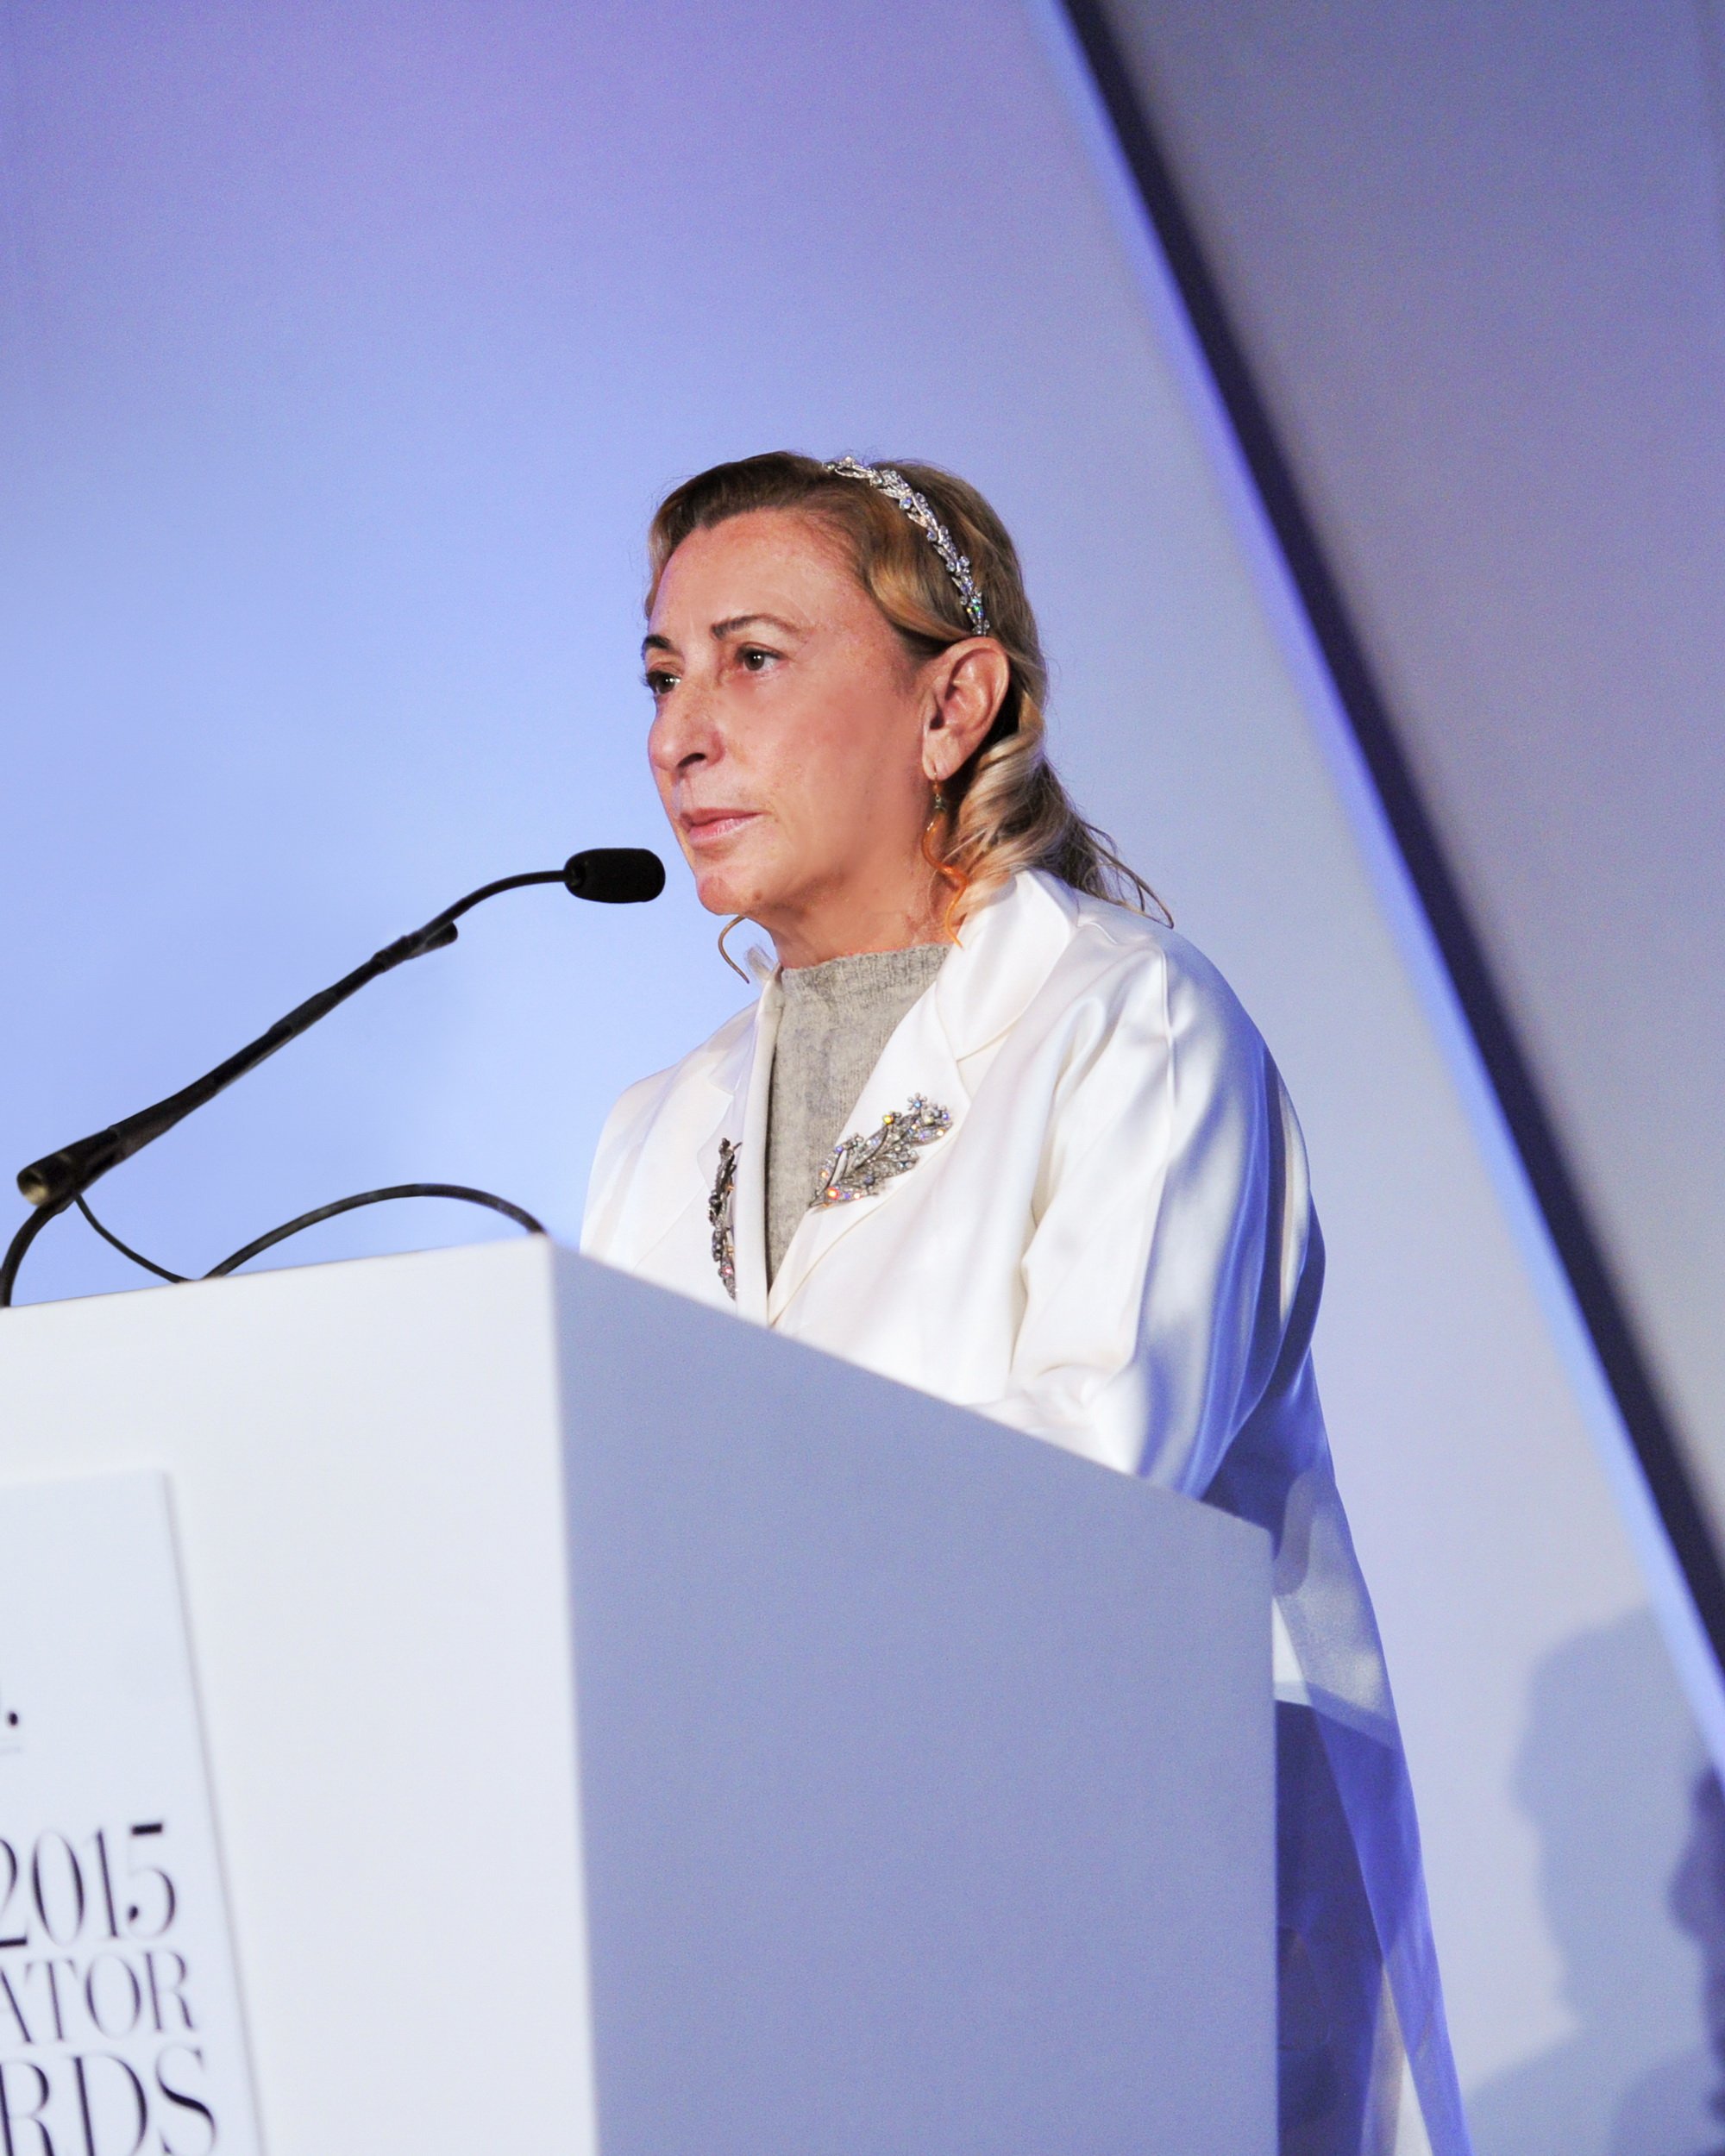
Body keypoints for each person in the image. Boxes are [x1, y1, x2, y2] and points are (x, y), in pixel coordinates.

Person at [581, 449, 1471, 2156]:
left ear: (953, 702)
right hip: (780, 1926)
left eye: (753, 659)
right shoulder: (659, 1126)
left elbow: (1087, 1490)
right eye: (662, 673)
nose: (682, 732)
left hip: (1105, 1905)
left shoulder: (1130, 1025)